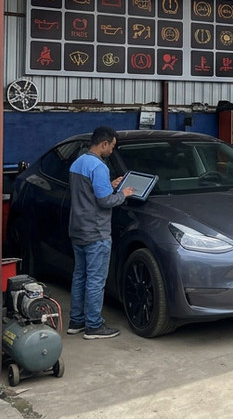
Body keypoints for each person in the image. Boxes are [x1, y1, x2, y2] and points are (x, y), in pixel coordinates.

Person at [68, 126, 133, 338]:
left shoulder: (78, 163)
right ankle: (94, 326)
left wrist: (110, 185)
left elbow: (89, 192)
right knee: (96, 280)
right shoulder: (99, 167)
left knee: (80, 276)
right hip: (96, 231)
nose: (112, 151)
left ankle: (76, 321)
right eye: (112, 146)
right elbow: (105, 201)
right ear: (104, 144)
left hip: (78, 228)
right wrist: (123, 193)